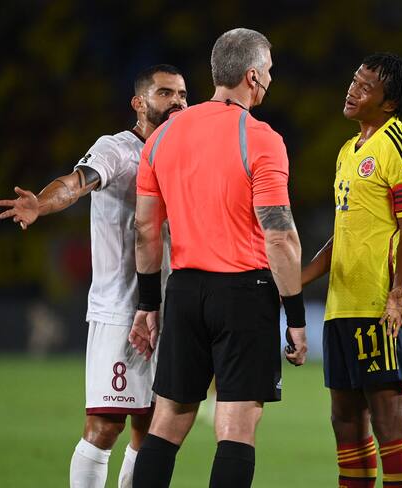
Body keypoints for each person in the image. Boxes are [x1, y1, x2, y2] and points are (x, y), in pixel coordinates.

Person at [128, 28, 307, 488]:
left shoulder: (163, 137)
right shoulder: (262, 138)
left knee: (167, 419)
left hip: (184, 291)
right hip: (244, 293)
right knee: (236, 425)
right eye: (267, 71)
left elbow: (146, 230)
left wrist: (149, 304)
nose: (269, 79)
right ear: (252, 76)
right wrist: (295, 314)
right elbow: (280, 237)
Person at [0, 65, 187, 487]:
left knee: (153, 428)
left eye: (182, 93)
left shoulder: (180, 153)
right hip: (120, 310)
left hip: (168, 310)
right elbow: (76, 182)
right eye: (165, 92)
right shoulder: (117, 149)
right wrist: (42, 205)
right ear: (139, 103)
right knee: (106, 426)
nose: (177, 101)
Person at [302, 53, 402, 488]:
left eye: (365, 86)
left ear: (388, 103)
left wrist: (396, 292)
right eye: (354, 79)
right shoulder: (346, 152)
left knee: (388, 418)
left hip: (378, 306)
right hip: (341, 305)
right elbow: (344, 233)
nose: (353, 89)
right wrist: (300, 278)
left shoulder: (401, 147)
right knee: (345, 420)